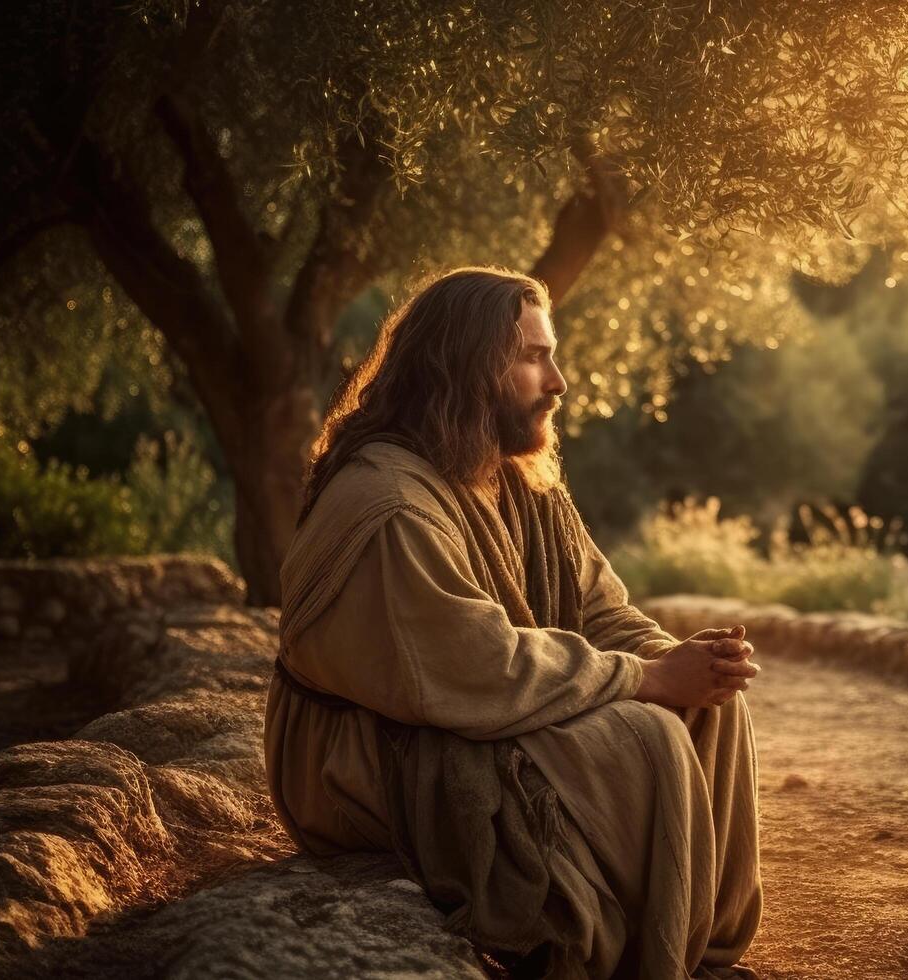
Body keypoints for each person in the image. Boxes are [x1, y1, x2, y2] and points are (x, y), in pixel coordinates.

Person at [264, 267, 763, 979]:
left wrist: (678, 660)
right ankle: (633, 952)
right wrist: (647, 677)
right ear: (464, 367)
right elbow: (478, 667)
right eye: (532, 357)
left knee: (710, 704)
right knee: (646, 734)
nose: (557, 380)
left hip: (464, 708)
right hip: (369, 758)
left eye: (550, 353)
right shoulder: (389, 505)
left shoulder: (514, 477)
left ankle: (697, 950)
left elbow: (598, 609)